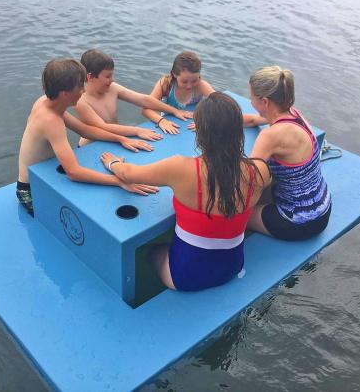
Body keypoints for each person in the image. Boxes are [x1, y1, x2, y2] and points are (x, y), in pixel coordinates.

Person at [101, 92, 270, 291]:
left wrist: (113, 163)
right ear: (238, 130)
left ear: (200, 132)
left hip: (186, 277)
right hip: (232, 267)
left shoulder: (180, 168)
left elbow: (129, 174)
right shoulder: (259, 171)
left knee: (149, 250)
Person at [17, 59, 158, 216]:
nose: (83, 91)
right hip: (30, 190)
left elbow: (84, 130)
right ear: (65, 94)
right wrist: (119, 181)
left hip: (43, 176)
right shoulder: (51, 121)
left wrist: (121, 139)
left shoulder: (46, 102)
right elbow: (73, 172)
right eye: (80, 87)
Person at [246, 66, 331, 240]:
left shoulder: (270, 136)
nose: (250, 101)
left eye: (251, 97)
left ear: (265, 101)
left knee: (233, 214)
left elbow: (249, 181)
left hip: (298, 221)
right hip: (322, 207)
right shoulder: (294, 114)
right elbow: (254, 119)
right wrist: (220, 120)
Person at [75, 49, 192, 148]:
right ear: (90, 77)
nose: (112, 79)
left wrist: (175, 111)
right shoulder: (82, 102)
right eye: (108, 76)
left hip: (115, 140)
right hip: (91, 146)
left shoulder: (112, 88)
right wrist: (137, 131)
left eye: (112, 75)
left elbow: (143, 100)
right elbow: (103, 127)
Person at [142, 50, 265, 134]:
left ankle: (267, 118)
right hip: (169, 124)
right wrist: (161, 120)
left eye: (194, 80)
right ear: (174, 74)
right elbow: (146, 109)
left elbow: (221, 104)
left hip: (195, 124)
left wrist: (207, 122)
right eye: (184, 81)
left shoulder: (200, 85)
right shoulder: (166, 84)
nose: (190, 86)